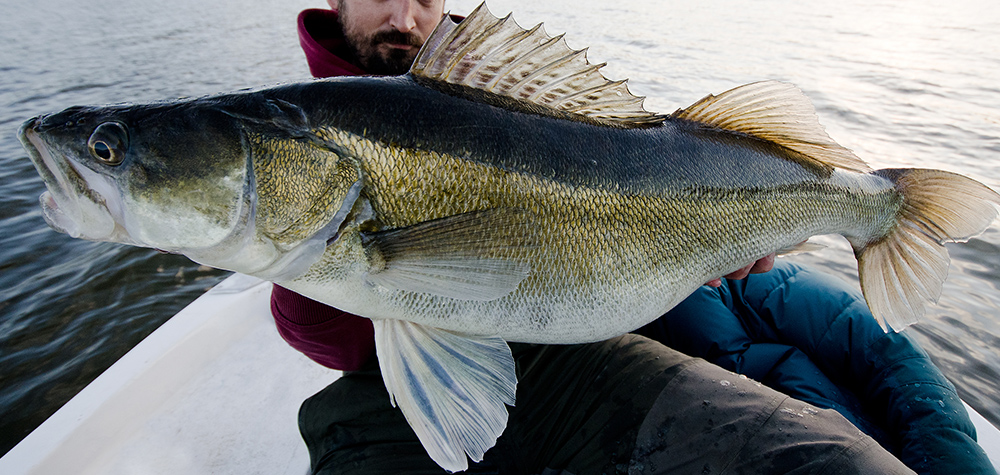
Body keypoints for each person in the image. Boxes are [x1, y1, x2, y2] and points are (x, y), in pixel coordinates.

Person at [273, 1, 995, 473]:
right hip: (410, 402)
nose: (404, 13)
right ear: (335, 2)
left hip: (595, 360)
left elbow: (642, 164)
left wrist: (708, 244)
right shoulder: (296, 134)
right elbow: (325, 330)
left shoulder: (498, 79)